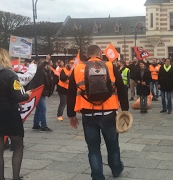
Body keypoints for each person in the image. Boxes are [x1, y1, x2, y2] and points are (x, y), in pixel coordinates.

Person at [67, 45, 129, 179]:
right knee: (112, 144)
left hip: (88, 114)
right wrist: (125, 109)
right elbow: (121, 88)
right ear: (100, 54)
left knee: (93, 148)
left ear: (87, 55)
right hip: (108, 113)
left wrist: (71, 114)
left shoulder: (77, 68)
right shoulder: (111, 66)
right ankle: (116, 168)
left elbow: (71, 93)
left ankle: (97, 176)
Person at [0, 48, 32, 180]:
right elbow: (19, 97)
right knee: (18, 145)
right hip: (10, 113)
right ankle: (15, 177)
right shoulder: (11, 75)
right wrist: (27, 95)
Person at [27, 55, 53, 132]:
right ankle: (43, 125)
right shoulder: (38, 71)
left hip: (42, 92)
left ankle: (36, 124)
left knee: (39, 108)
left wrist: (48, 69)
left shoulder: (45, 71)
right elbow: (40, 67)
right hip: (37, 91)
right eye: (45, 64)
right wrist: (46, 60)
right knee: (43, 108)